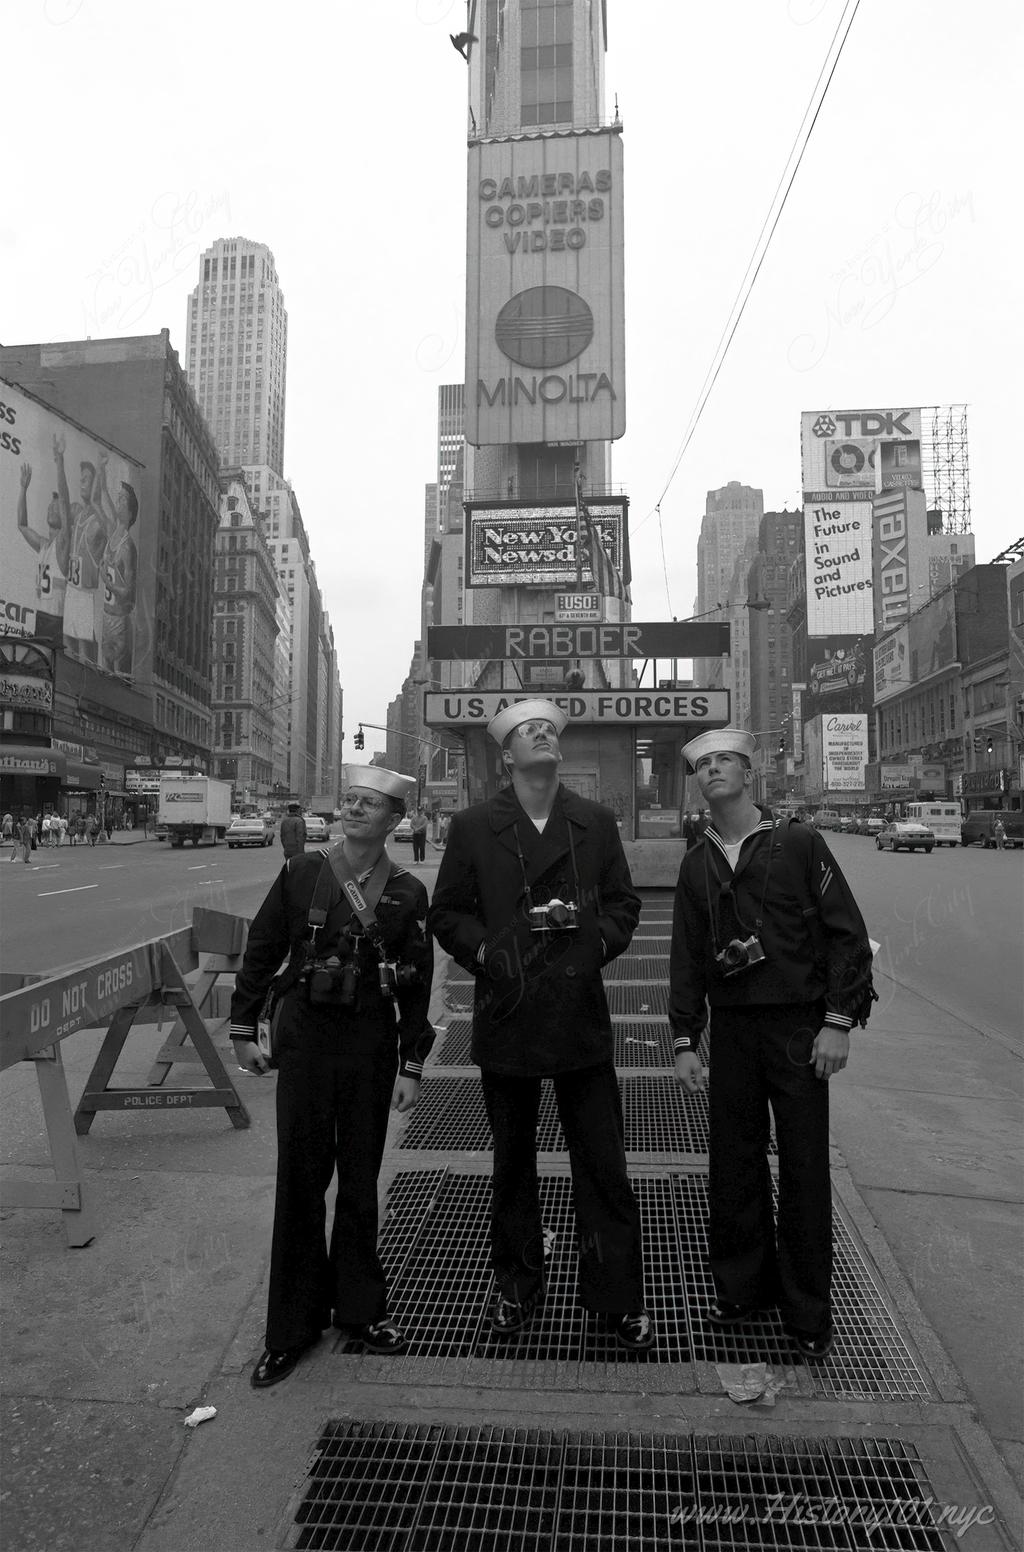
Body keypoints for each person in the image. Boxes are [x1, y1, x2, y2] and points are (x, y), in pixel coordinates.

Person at [428, 699, 653, 1351]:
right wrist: (493, 954)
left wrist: (592, 949)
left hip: (579, 1015)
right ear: (507, 757)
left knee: (602, 1164)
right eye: (529, 731)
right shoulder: (475, 827)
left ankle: (617, 1299)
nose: (542, 735)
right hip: (508, 1014)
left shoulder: (596, 822)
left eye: (549, 729)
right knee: (513, 1167)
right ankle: (516, 1289)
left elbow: (623, 905)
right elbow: (447, 914)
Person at [669, 727, 875, 1361]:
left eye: (725, 760)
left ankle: (808, 1309)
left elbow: (847, 932)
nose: (713, 772)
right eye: (702, 765)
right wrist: (684, 1039)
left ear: (749, 774)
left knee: (806, 1168)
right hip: (732, 1030)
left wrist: (838, 1022)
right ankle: (740, 1288)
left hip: (798, 1030)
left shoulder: (797, 842)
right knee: (732, 1164)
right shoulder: (697, 859)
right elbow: (687, 957)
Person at [230, 765, 435, 1389]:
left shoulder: (405, 892)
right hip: (306, 1043)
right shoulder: (300, 873)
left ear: (394, 820)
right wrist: (243, 1028)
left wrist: (412, 1063)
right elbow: (263, 950)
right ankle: (289, 1329)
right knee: (299, 1180)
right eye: (350, 800)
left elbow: (417, 983)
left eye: (369, 804)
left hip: (370, 1044)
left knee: (359, 1184)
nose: (353, 810)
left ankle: (360, 1311)